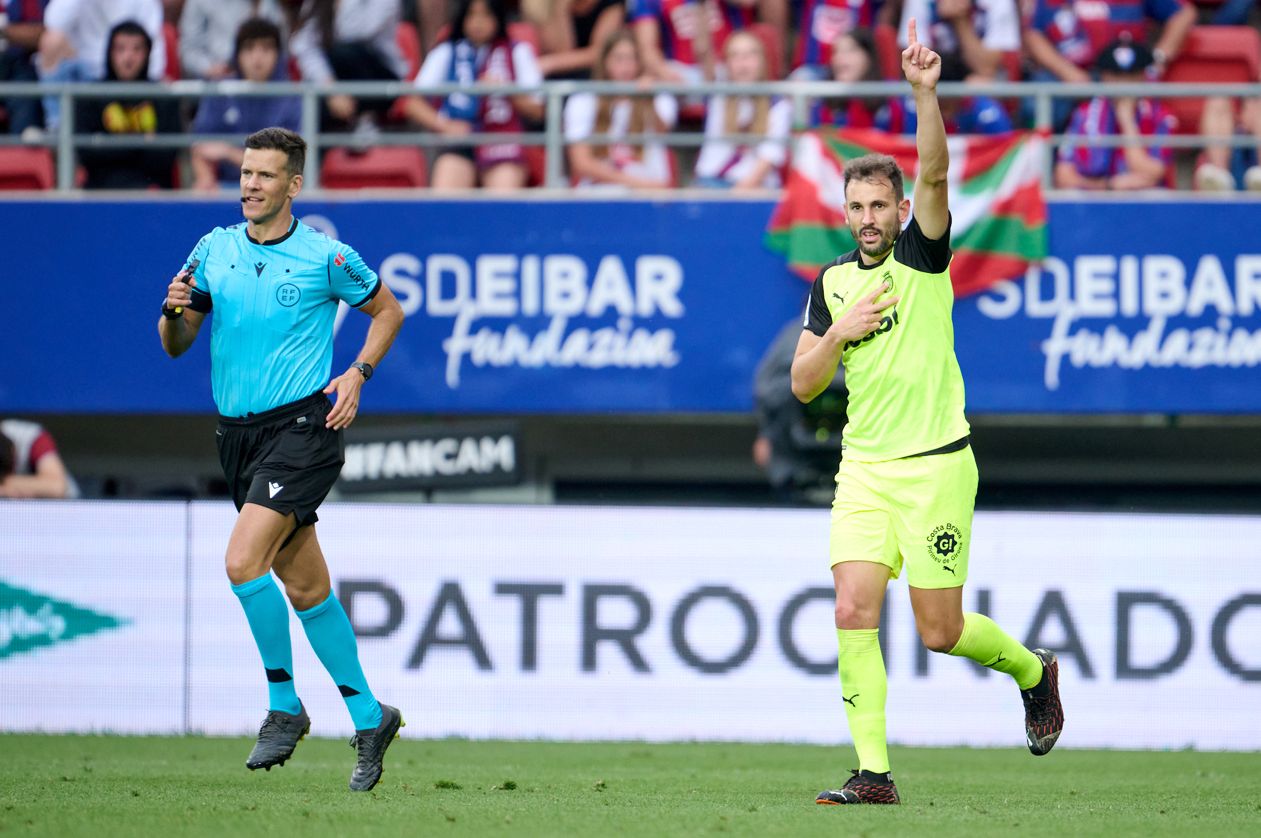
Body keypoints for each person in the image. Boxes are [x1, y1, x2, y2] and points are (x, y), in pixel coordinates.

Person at [791, 20, 1064, 805]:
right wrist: (837, 333)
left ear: (901, 207)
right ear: (843, 211)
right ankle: (873, 774)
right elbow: (803, 385)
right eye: (856, 206)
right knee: (851, 607)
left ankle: (1030, 671)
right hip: (863, 471)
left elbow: (938, 173)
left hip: (936, 464)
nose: (867, 217)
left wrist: (923, 93)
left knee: (939, 632)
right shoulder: (831, 284)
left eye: (880, 204)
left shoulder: (921, 256)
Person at [158, 126, 406, 791]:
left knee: (243, 562)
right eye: (245, 172)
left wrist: (357, 372)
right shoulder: (213, 249)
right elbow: (176, 343)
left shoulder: (326, 256)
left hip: (303, 428)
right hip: (236, 437)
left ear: (293, 184)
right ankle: (370, 715)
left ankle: (283, 704)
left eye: (264, 175)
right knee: (305, 588)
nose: (250, 185)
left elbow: (388, 311)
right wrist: (174, 313)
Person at [402, 0, 545, 191]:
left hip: (502, 142)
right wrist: (444, 125)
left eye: (486, 15)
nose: (478, 22)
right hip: (461, 142)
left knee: (504, 197)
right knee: (444, 197)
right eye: (472, 15)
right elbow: (411, 103)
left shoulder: (518, 51)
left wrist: (507, 90)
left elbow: (538, 110)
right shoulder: (446, 51)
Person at [190, 17, 302, 191]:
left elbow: (284, 165)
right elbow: (200, 147)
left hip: (275, 191)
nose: (257, 57)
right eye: (249, 48)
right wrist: (205, 177)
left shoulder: (292, 97)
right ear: (237, 54)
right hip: (224, 189)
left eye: (266, 48)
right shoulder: (220, 92)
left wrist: (228, 152)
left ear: (278, 55)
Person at [1054, 38, 1175, 191]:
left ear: (1143, 76)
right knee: (1069, 194)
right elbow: (1063, 176)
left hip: (1140, 198)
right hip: (1096, 197)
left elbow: (1152, 173)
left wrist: (1126, 120)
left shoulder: (1160, 116)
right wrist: (1108, 186)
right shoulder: (1084, 114)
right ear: (1104, 77)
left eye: (1131, 76)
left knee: (1155, 193)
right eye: (1116, 76)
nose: (1124, 84)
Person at [564, 28, 678, 189]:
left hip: (649, 192)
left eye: (632, 58)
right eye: (619, 58)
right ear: (605, 61)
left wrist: (648, 99)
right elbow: (581, 163)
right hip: (602, 191)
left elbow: (662, 133)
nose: (626, 66)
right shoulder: (583, 100)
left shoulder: (659, 96)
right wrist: (636, 183)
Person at [75, 20, 183, 190]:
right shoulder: (91, 96)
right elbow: (86, 154)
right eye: (121, 49)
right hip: (100, 192)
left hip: (153, 191)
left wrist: (108, 143)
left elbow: (166, 157)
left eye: (137, 49)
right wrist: (143, 142)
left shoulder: (163, 96)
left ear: (148, 53)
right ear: (110, 52)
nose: (128, 57)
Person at [753, 317, 846, 505]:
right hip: (798, 462)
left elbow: (765, 388)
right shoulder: (794, 336)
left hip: (853, 461)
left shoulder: (792, 334)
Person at [36, 0, 165, 130]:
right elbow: (53, 22)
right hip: (83, 74)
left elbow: (152, 44)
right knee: (52, 40)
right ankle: (58, 128)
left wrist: (151, 85)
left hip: (129, 76)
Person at [693, 30, 790, 190]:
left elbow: (769, 158)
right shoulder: (718, 93)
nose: (742, 63)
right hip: (709, 184)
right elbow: (702, 51)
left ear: (763, 61)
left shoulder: (778, 105)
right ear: (726, 64)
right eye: (735, 56)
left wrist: (735, 196)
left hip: (755, 189)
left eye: (750, 55)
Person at [896, 0, 1020, 80]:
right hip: (935, 80)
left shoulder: (998, 2)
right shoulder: (919, 2)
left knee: (986, 84)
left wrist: (960, 22)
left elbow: (987, 68)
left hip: (977, 82)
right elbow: (916, 66)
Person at [177, 0, 286, 80]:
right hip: (214, 85)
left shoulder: (268, 3)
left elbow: (279, 45)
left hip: (264, 84)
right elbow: (188, 50)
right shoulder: (199, 2)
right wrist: (209, 68)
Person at [527, 0, 625, 79]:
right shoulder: (558, 4)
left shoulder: (612, 4)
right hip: (565, 72)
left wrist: (550, 63)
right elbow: (563, 51)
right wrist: (562, 9)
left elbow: (599, 52)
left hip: (594, 74)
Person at [0, 418, 77, 499]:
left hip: (69, 502)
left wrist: (6, 483)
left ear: (13, 450)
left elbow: (57, 487)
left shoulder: (30, 436)